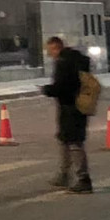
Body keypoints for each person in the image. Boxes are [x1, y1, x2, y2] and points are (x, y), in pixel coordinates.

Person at [42, 35, 93, 194]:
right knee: (64, 139)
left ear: (56, 47)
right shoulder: (77, 60)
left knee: (74, 142)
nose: (49, 54)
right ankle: (64, 174)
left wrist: (48, 90)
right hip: (75, 106)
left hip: (71, 108)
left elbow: (63, 86)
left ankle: (83, 179)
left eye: (50, 50)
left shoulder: (64, 63)